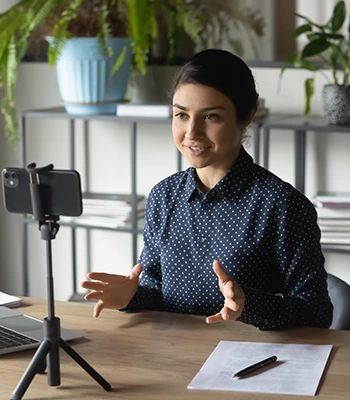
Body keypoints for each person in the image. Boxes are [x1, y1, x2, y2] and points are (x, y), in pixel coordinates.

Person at [81, 49, 333, 330]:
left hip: (254, 360)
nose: (191, 132)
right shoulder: (164, 196)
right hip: (176, 354)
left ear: (247, 115)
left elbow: (317, 313)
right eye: (181, 115)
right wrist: (131, 296)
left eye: (211, 117)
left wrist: (248, 304)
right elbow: (155, 294)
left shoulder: (281, 204)